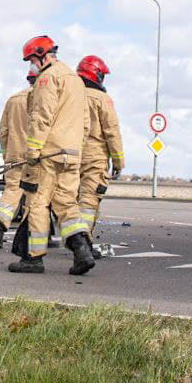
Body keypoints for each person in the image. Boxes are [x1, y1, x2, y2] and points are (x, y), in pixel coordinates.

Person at [9, 35, 94, 276]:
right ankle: (82, 252)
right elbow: (86, 121)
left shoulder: (47, 78)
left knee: (37, 202)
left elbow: (41, 116)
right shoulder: (75, 79)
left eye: (31, 59)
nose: (31, 65)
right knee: (67, 203)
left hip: (50, 154)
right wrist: (76, 147)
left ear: (41, 55)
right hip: (72, 153)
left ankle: (33, 259)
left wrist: (33, 151)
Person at [76, 55, 124, 257]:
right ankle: (83, 245)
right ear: (97, 75)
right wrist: (118, 161)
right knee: (88, 202)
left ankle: (73, 239)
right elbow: (112, 131)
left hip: (69, 155)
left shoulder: (70, 96)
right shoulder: (103, 100)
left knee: (70, 200)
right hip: (95, 159)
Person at [0, 68, 37, 248]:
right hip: (36, 156)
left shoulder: (14, 100)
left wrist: (6, 155)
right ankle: (29, 238)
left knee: (11, 192)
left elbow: (4, 131)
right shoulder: (46, 100)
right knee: (35, 197)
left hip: (14, 154)